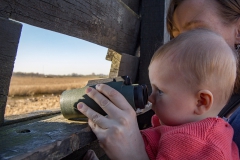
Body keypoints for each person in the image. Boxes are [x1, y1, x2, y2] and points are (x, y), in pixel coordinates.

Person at [78, 0, 240, 159]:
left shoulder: (202, 143)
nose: (183, 45)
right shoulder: (184, 120)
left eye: (197, 30)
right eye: (176, 37)